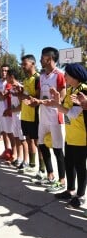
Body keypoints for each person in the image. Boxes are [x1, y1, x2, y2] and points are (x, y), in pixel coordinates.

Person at [45, 63, 87, 208]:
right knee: (69, 165)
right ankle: (70, 190)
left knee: (80, 167)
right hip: (70, 135)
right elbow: (66, 109)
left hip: (81, 137)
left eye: (67, 74)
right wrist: (57, 101)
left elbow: (75, 114)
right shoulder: (69, 90)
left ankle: (80, 196)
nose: (65, 77)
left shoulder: (83, 89)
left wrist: (57, 106)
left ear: (75, 76)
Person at [31, 47, 66, 192]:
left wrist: (50, 101)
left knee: (58, 150)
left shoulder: (59, 75)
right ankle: (50, 175)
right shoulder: (42, 76)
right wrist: (35, 101)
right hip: (43, 117)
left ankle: (62, 180)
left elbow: (62, 98)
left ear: (49, 59)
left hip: (55, 117)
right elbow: (41, 97)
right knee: (42, 145)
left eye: (42, 57)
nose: (40, 60)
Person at [18, 55, 45, 177]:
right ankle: (32, 164)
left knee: (38, 142)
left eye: (25, 64)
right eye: (22, 64)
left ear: (32, 64)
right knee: (29, 140)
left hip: (35, 115)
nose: (23, 66)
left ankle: (43, 169)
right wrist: (19, 93)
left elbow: (38, 98)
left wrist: (24, 96)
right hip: (25, 115)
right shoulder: (25, 79)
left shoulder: (38, 78)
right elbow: (24, 96)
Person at [5, 69, 29, 169]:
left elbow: (21, 106)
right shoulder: (11, 88)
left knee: (23, 139)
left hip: (20, 116)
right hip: (14, 116)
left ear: (12, 77)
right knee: (16, 138)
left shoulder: (20, 87)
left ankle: (26, 160)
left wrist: (11, 110)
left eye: (7, 76)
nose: (6, 78)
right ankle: (19, 158)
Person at [0, 64, 16, 161]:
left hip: (7, 111)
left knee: (10, 133)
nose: (3, 72)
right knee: (3, 132)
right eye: (2, 70)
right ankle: (7, 151)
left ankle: (14, 154)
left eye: (6, 71)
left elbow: (3, 96)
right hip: (0, 111)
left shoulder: (9, 83)